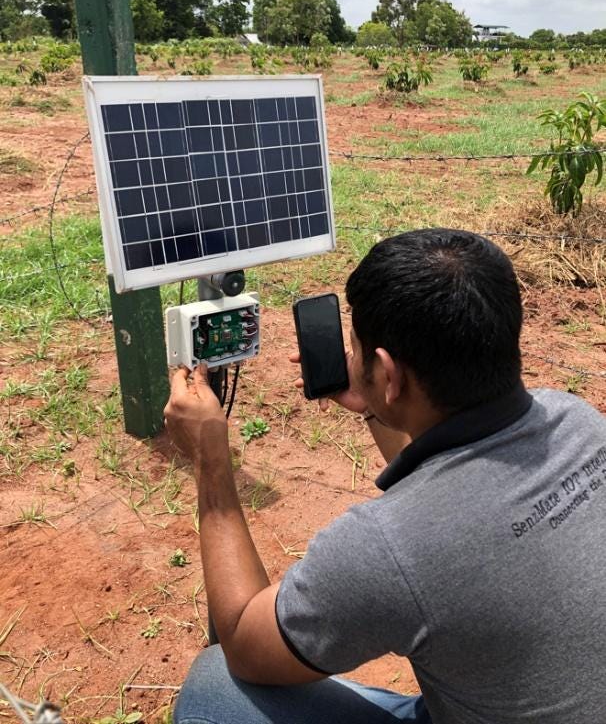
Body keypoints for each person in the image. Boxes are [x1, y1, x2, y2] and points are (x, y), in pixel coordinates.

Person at [164, 228, 606, 724]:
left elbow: (244, 643)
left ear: (391, 375)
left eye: (357, 351)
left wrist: (211, 462)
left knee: (215, 687)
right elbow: (450, 484)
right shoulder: (577, 420)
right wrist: (377, 408)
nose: (350, 359)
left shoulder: (387, 548)